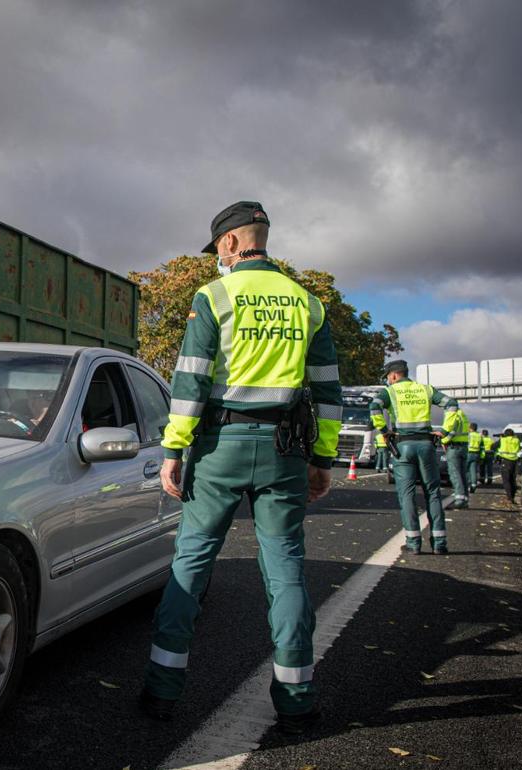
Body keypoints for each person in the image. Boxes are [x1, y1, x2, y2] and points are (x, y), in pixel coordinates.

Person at [140, 201, 342, 735]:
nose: (216, 262)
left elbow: (190, 381)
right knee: (286, 566)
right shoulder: (308, 303)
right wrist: (322, 459)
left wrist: (173, 450)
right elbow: (327, 389)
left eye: (217, 252)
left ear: (230, 243)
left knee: (193, 560)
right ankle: (297, 696)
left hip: (220, 446)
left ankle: (163, 690)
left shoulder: (214, 297)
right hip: (286, 450)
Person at [369, 360, 458, 555]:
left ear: (393, 376)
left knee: (407, 494)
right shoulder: (425, 390)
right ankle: (439, 542)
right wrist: (444, 430)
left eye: (388, 378)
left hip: (403, 445)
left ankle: (413, 542)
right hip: (426, 445)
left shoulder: (390, 392)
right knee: (433, 492)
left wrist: (384, 430)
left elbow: (374, 406)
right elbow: (451, 404)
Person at [440, 406, 471, 509]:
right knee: (462, 474)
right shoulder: (463, 416)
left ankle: (459, 500)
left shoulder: (454, 416)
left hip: (454, 447)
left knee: (455, 473)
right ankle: (465, 499)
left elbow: (451, 432)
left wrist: (443, 441)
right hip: (464, 447)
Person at [496, 428, 522, 502]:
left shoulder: (503, 440)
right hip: (514, 461)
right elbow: (518, 448)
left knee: (506, 480)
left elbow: (493, 446)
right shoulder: (517, 440)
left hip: (505, 461)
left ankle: (509, 496)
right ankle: (513, 496)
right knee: (512, 479)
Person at [466, 423, 482, 494]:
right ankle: (473, 485)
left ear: (470, 428)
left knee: (465, 470)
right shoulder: (479, 436)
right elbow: (481, 447)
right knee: (473, 470)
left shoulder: (469, 435)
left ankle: (467, 484)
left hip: (468, 453)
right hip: (476, 454)